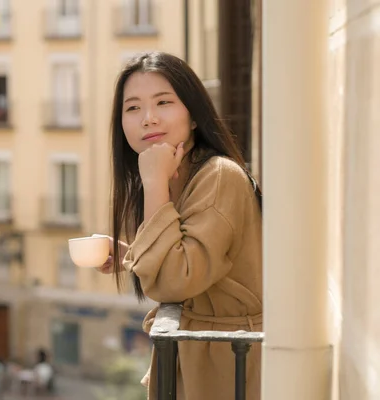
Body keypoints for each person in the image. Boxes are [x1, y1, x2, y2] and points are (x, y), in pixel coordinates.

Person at [96, 51, 263, 400]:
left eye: (163, 102)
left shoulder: (218, 176)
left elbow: (174, 281)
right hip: (202, 362)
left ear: (193, 116)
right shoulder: (179, 175)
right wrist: (131, 253)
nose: (148, 118)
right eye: (133, 108)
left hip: (226, 369)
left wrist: (154, 182)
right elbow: (195, 261)